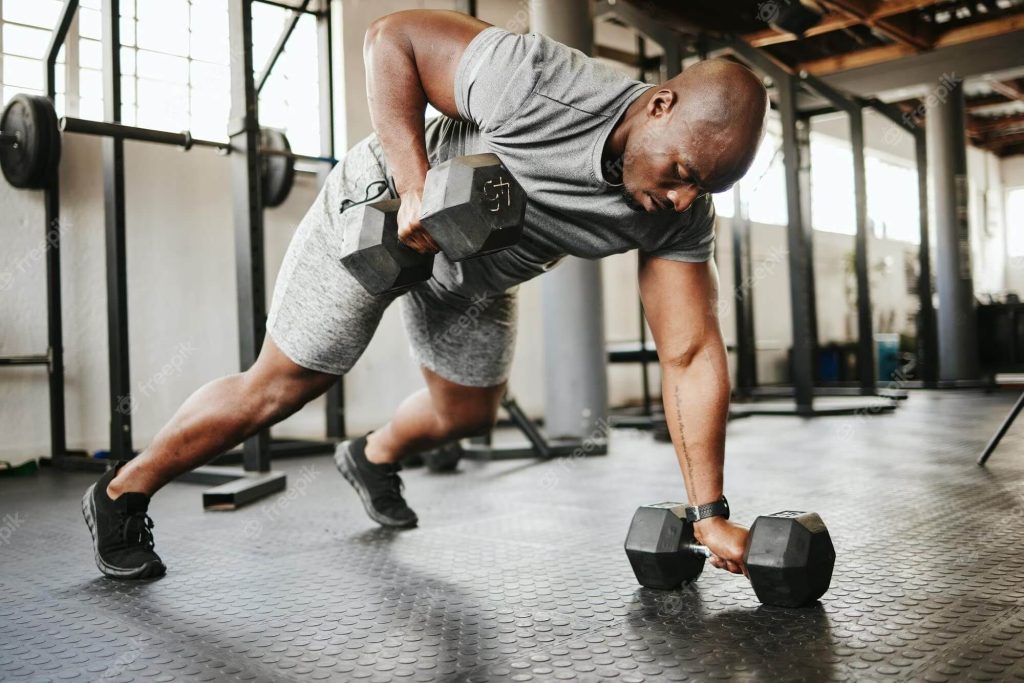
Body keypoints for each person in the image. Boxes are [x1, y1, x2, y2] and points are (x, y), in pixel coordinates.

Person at [81, 10, 768, 581]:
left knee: (468, 411)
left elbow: (688, 354)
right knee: (282, 385)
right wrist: (414, 186)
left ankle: (372, 454)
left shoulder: (676, 214)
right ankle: (121, 492)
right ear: (659, 105)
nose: (680, 196)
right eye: (680, 170)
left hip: (477, 269)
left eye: (701, 187)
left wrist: (707, 511)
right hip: (383, 210)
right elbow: (392, 38)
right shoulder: (537, 82)